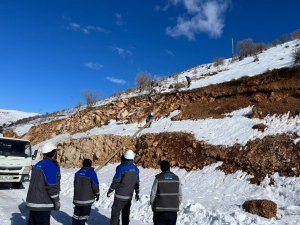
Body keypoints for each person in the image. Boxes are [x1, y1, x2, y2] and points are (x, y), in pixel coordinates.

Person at [26, 142, 60, 225]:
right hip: (42, 204)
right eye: (55, 151)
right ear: (53, 152)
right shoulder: (50, 166)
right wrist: (56, 201)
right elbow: (51, 186)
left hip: (33, 202)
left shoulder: (38, 164)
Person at [107, 150, 140, 225]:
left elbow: (116, 181)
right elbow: (137, 183)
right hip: (129, 197)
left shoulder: (120, 168)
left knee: (115, 213)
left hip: (119, 197)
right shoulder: (136, 169)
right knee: (126, 214)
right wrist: (137, 193)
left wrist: (110, 190)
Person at [150, 160, 182, 225]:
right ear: (169, 167)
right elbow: (180, 195)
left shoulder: (158, 178)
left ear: (161, 168)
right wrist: (176, 205)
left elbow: (153, 194)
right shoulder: (176, 178)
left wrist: (153, 205)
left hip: (160, 211)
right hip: (173, 212)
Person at [72, 158, 100, 225]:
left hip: (77, 199)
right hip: (87, 200)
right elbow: (95, 185)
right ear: (90, 165)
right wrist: (97, 194)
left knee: (76, 215)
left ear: (83, 164)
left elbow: (75, 184)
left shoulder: (77, 173)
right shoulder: (92, 173)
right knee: (83, 216)